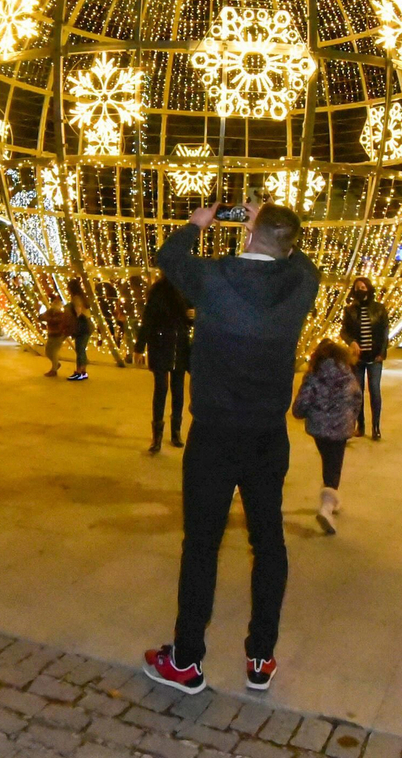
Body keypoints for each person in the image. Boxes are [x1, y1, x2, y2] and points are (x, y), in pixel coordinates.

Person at [142, 201, 319, 696]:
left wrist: (196, 224)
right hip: (267, 435)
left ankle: (186, 660)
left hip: (215, 434)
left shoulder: (215, 278)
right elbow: (307, 266)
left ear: (248, 232)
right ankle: (261, 657)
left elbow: (169, 257)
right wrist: (271, 225)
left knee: (202, 543)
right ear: (288, 245)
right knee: (269, 542)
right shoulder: (299, 285)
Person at [291, 339, 360, 535]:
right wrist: (351, 418)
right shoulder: (348, 374)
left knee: (329, 461)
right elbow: (357, 398)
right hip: (340, 428)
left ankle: (331, 499)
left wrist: (300, 413)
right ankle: (327, 507)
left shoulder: (314, 375)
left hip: (319, 428)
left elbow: (301, 404)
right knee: (334, 465)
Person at [135, 275, 191, 453]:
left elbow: (190, 317)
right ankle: (157, 435)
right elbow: (148, 320)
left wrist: (193, 316)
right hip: (161, 344)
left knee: (178, 390)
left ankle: (176, 431)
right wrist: (139, 346)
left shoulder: (185, 289)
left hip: (179, 346)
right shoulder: (158, 291)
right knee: (161, 388)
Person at [340, 277, 388, 441]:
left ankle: (376, 427)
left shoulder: (379, 309)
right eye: (357, 288)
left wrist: (382, 352)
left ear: (368, 288)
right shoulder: (350, 310)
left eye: (363, 287)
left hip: (375, 357)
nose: (360, 290)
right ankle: (360, 425)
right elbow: (344, 331)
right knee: (357, 392)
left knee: (374, 390)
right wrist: (351, 342)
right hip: (358, 358)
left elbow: (384, 332)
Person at [66, 278, 92, 381]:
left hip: (82, 324)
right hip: (87, 324)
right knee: (82, 348)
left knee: (80, 349)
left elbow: (78, 312)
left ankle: (79, 371)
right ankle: (83, 371)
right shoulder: (83, 297)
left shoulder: (76, 298)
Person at [43, 299, 75, 376]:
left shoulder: (61, 314)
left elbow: (55, 321)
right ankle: (56, 364)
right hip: (51, 334)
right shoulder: (50, 312)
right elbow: (42, 317)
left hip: (58, 335)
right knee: (48, 351)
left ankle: (54, 369)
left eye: (56, 305)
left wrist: (49, 319)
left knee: (54, 352)